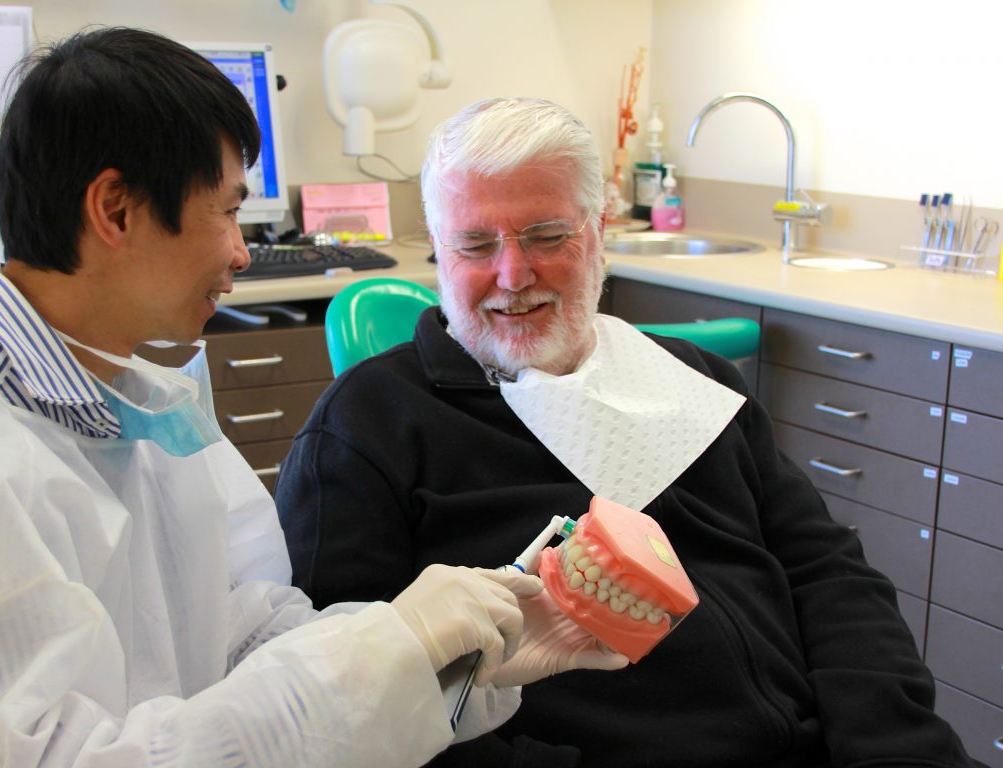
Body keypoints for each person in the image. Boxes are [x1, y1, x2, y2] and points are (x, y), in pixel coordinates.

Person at [0, 32, 628, 768]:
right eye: (225, 212)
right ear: (116, 210)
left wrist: (456, 663)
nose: (241, 252)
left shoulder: (147, 414)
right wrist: (395, 646)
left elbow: (256, 633)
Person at [275, 97, 984, 767]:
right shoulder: (365, 428)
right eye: (475, 244)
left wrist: (894, 742)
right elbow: (341, 696)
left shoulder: (694, 380)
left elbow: (827, 571)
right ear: (437, 249)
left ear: (600, 232)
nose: (513, 274)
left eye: (548, 236)